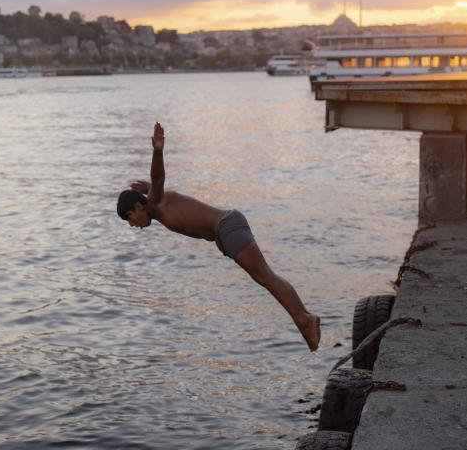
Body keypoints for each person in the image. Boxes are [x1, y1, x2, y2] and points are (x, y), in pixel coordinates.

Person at [117, 122, 321, 352]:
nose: (134, 225)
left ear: (138, 206)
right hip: (225, 231)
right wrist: (149, 185)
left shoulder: (155, 202)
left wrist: (157, 151)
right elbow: (157, 185)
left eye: (130, 218)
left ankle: (305, 319)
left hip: (226, 227)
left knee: (266, 277)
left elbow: (159, 177)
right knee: (264, 277)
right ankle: (304, 319)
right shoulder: (156, 201)